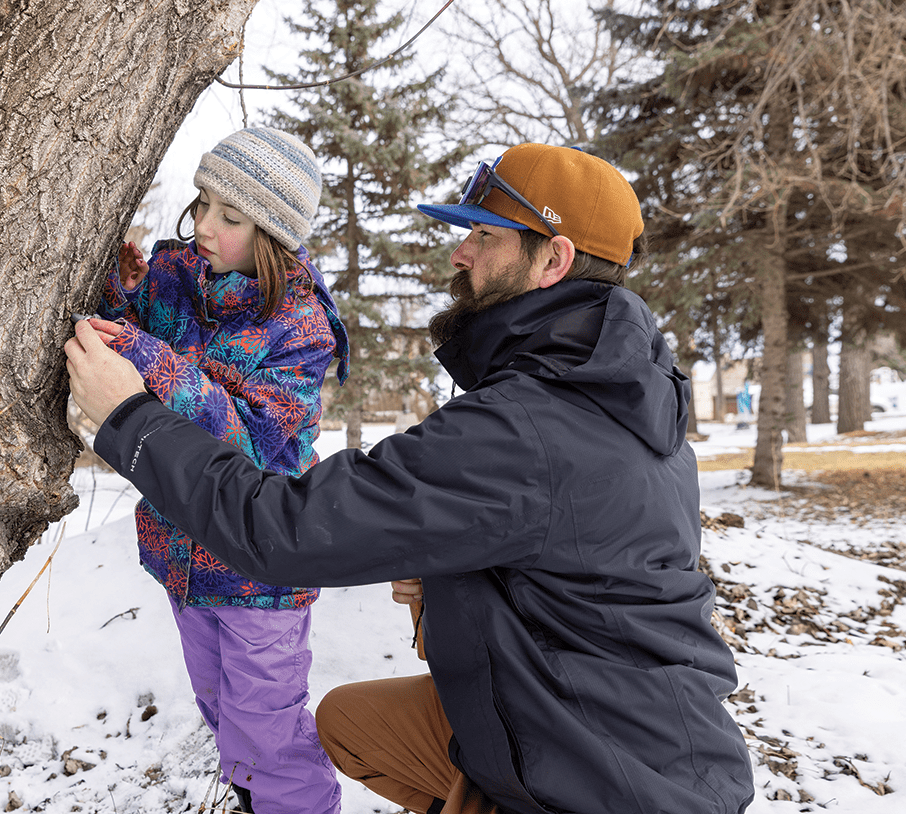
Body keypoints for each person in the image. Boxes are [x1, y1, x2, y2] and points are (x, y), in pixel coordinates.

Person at [66, 143, 754, 814]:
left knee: (280, 726)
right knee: (349, 724)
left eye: (483, 237)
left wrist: (130, 416)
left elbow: (285, 530)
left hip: (612, 780)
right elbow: (584, 565)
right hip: (598, 721)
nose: (459, 254)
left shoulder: (529, 424)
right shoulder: (615, 396)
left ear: (554, 259)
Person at [77, 126, 349, 814]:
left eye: (229, 217)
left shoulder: (300, 330)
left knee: (271, 738)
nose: (202, 225)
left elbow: (255, 444)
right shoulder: (176, 275)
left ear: (274, 235)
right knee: (224, 717)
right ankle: (252, 801)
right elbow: (124, 333)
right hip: (184, 558)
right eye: (201, 204)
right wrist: (119, 292)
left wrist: (148, 359)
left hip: (261, 573)